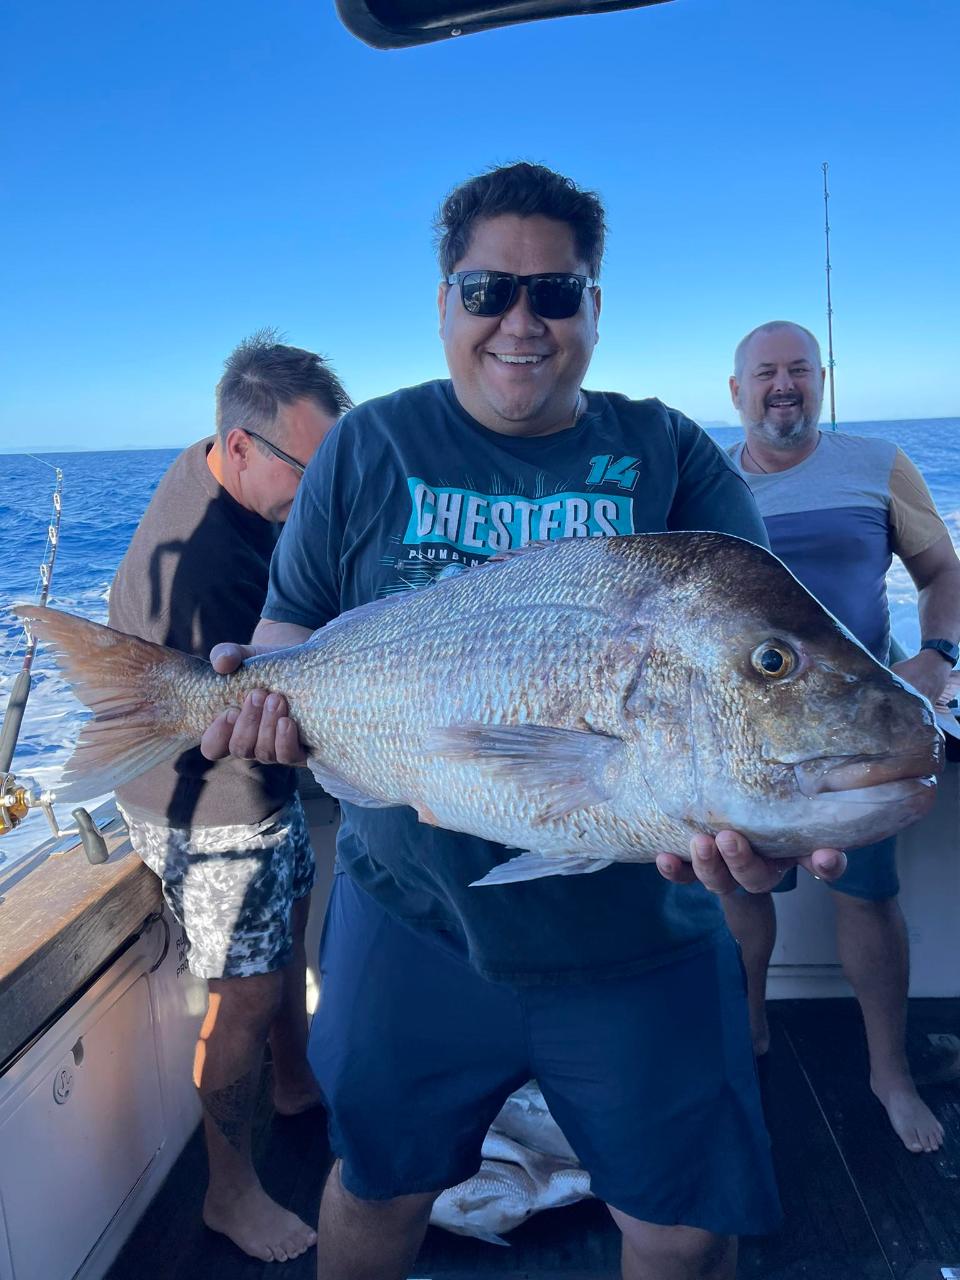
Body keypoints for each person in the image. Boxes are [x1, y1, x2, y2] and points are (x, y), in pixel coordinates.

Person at [200, 166, 846, 1280]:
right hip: (412, 923)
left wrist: (761, 815)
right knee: (377, 1183)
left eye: (556, 293)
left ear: (596, 308)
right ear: (444, 300)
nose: (521, 320)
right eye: (489, 288)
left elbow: (756, 658)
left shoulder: (669, 453)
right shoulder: (368, 447)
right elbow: (287, 631)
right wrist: (252, 689)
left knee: (685, 1226)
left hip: (640, 938)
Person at [109, 332, 352, 1262]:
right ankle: (229, 1190)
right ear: (243, 445)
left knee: (284, 936)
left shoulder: (217, 471)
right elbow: (266, 707)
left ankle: (296, 1086)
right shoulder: (214, 562)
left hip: (247, 785)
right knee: (243, 995)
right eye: (308, 467)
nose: (318, 491)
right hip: (207, 799)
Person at [722, 319, 960, 1155]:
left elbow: (943, 571)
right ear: (736, 391)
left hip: (861, 734)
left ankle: (887, 1071)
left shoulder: (877, 465)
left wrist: (938, 655)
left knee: (868, 896)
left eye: (799, 370)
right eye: (765, 373)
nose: (782, 386)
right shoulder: (707, 482)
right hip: (743, 743)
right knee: (740, 895)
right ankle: (747, 1033)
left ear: (822, 381)